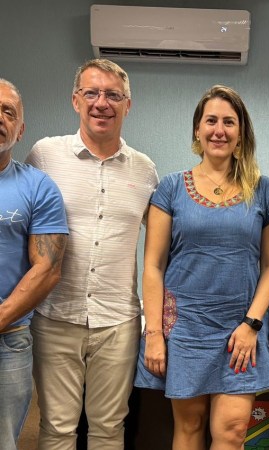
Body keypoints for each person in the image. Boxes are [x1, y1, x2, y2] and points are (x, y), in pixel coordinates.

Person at [134, 84, 269, 450]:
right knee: (189, 427)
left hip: (241, 331)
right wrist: (154, 334)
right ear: (197, 130)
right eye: (211, 121)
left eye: (229, 122)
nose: (219, 130)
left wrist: (251, 325)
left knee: (232, 431)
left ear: (241, 133)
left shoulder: (263, 190)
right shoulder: (170, 188)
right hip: (186, 328)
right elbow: (152, 265)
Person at [25, 59, 159, 450]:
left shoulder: (145, 170)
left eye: (113, 95)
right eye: (92, 93)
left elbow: (162, 247)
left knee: (109, 428)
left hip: (118, 321)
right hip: (55, 317)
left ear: (127, 105)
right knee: (57, 428)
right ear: (75, 100)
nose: (102, 103)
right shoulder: (44, 156)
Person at [0, 78, 68, 450]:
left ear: (20, 129)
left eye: (8, 112)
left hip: (8, 338)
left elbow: (47, 269)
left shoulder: (38, 187)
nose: (0, 118)